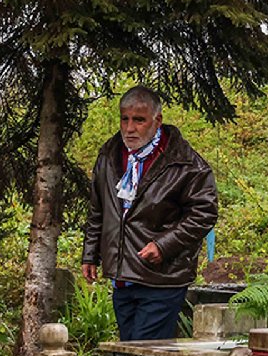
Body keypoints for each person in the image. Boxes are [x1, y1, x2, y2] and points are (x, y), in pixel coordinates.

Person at [81, 86, 217, 341]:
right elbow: (99, 209)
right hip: (122, 278)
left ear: (157, 120)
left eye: (139, 120)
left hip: (162, 279)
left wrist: (163, 246)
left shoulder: (186, 163)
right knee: (130, 355)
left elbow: (204, 213)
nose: (130, 128)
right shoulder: (109, 156)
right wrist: (90, 254)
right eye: (125, 119)